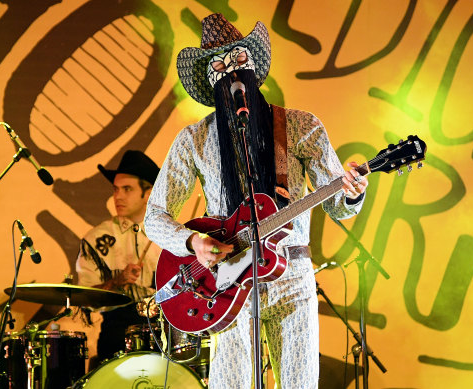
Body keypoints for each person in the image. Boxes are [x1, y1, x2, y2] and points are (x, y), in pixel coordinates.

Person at [144, 13, 368, 388]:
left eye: (239, 59)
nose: (232, 72)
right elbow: (154, 215)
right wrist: (193, 242)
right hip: (225, 280)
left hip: (292, 272)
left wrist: (352, 193)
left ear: (254, 64)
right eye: (219, 65)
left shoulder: (301, 126)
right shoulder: (194, 139)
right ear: (210, 80)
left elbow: (336, 205)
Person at [76, 150, 161, 363]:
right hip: (116, 333)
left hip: (164, 333)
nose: (118, 196)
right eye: (115, 189)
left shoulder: (168, 235)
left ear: (148, 193)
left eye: (127, 189)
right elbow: (86, 298)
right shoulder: (96, 239)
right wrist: (118, 282)